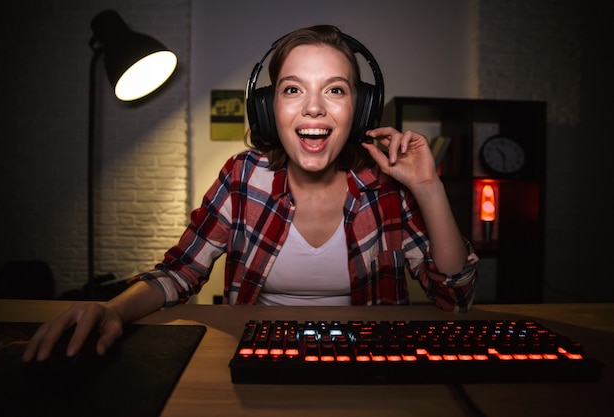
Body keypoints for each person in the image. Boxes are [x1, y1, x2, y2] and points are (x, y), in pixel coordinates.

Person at [23, 25, 478, 362]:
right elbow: (179, 274)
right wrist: (113, 310)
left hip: (368, 361)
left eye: (335, 90)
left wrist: (427, 187)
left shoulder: (386, 186)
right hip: (259, 357)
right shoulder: (243, 178)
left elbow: (454, 298)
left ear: (359, 110)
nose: (314, 107)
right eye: (293, 89)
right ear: (267, 109)